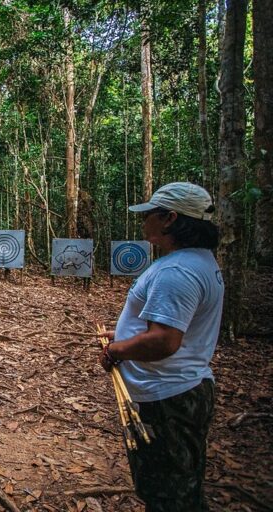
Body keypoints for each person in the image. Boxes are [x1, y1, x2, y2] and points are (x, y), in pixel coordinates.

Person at [99, 182, 224, 511]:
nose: (144, 222)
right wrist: (124, 334)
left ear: (170, 218)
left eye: (150, 215)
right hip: (179, 391)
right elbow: (174, 326)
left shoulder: (177, 271)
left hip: (166, 398)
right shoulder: (199, 262)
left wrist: (117, 351)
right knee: (183, 486)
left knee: (168, 496)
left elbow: (164, 340)